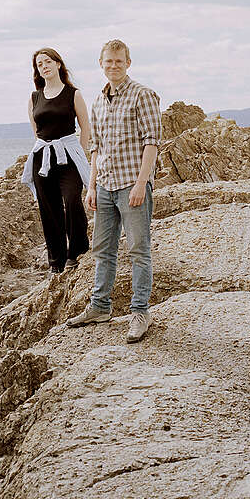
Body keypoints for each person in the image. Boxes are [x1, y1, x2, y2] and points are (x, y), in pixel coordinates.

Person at [67, 39, 161, 343]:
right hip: (104, 186)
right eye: (108, 61)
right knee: (103, 250)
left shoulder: (143, 95)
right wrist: (91, 186)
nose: (113, 66)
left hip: (132, 185)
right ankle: (100, 306)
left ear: (128, 63)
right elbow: (96, 147)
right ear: (101, 64)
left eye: (119, 61)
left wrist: (140, 182)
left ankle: (139, 312)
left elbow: (152, 142)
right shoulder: (97, 100)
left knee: (138, 250)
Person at [20, 48, 91, 273]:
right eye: (40, 64)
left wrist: (79, 151)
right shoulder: (34, 98)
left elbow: (85, 127)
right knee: (49, 209)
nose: (44, 66)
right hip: (43, 157)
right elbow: (36, 130)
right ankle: (56, 261)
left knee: (72, 200)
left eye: (48, 61)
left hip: (68, 155)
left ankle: (77, 251)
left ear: (58, 64)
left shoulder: (73, 94)